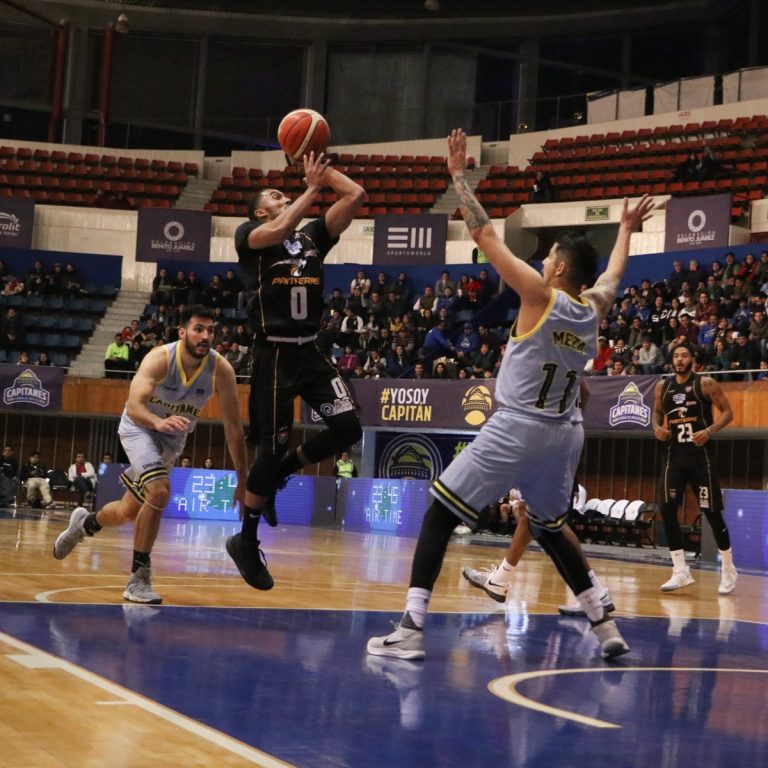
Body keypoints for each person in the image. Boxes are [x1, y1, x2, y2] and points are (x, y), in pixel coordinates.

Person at [367, 130, 654, 663]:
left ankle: (410, 627)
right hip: (564, 434)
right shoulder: (593, 309)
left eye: (548, 256)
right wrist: (626, 230)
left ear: (560, 269)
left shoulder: (540, 295)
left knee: (437, 512)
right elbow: (615, 273)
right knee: (550, 526)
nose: (543, 260)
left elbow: (485, 234)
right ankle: (604, 624)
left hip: (519, 424)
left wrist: (458, 176)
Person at [231, 148, 365, 591]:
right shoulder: (249, 235)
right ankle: (246, 542)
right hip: (273, 357)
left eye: (281, 191)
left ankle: (290, 465)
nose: (280, 194)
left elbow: (357, 194)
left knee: (348, 429)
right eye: (272, 194)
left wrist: (325, 174)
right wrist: (310, 188)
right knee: (264, 454)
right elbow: (282, 226)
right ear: (257, 211)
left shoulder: (312, 237)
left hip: (310, 352)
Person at [53, 305, 248, 604]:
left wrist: (243, 480)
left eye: (210, 330)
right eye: (198, 329)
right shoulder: (159, 358)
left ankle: (85, 524)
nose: (205, 335)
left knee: (128, 511)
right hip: (139, 428)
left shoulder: (221, 369)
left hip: (171, 441)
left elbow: (234, 428)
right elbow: (134, 406)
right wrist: (158, 421)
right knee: (159, 492)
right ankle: (138, 578)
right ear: (182, 332)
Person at [652, 342, 736, 595]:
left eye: (684, 355)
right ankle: (680, 571)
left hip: (701, 458)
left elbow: (728, 413)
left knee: (711, 513)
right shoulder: (662, 386)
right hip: (674, 457)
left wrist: (709, 431)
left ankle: (729, 569)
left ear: (693, 359)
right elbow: (656, 414)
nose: (679, 359)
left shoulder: (706, 383)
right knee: (666, 508)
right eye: (676, 355)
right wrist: (657, 428)